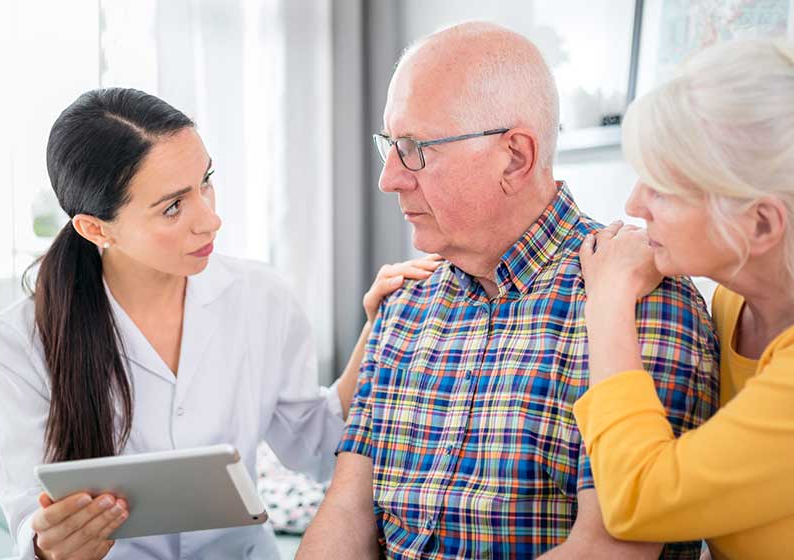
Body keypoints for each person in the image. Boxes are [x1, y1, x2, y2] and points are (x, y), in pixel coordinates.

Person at [298, 22, 718, 559]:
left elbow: (617, 551)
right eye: (390, 144)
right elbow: (345, 510)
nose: (389, 178)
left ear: (515, 157)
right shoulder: (403, 304)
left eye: (413, 148)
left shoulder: (642, 301)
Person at [0, 87, 442, 560]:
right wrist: (50, 545)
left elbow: (320, 449)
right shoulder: (19, 340)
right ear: (96, 229)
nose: (211, 219)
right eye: (173, 207)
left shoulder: (262, 298)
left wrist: (375, 333)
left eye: (206, 181)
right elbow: (29, 517)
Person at [573, 38, 794, 560]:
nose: (633, 204)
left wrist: (607, 300)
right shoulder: (732, 306)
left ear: (760, 223)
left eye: (664, 188)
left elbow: (638, 502)